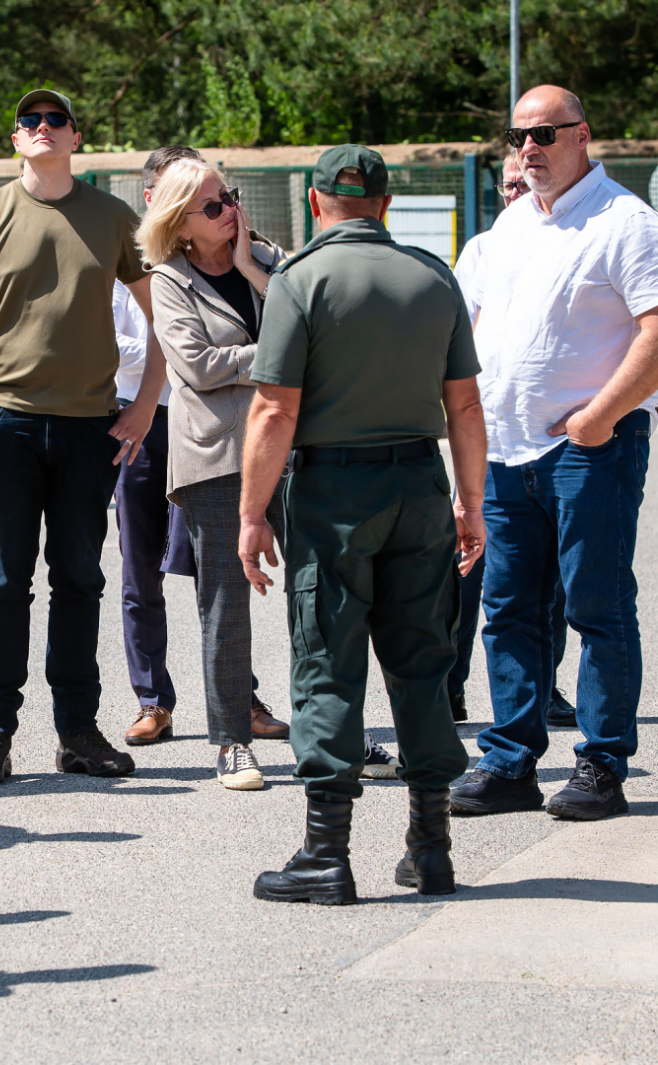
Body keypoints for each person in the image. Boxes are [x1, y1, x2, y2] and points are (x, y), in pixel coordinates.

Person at [240, 145, 485, 905]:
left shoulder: (300, 279)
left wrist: (250, 513)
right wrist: (470, 502)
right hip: (419, 485)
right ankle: (431, 847)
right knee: (424, 661)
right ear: (385, 202)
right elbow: (466, 404)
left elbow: (275, 408)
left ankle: (325, 854)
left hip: (335, 495)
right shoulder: (432, 276)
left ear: (316, 203)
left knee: (327, 662)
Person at [449, 85, 658, 821]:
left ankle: (602, 763)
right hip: (505, 452)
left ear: (583, 135)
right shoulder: (509, 228)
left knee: (597, 604)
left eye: (546, 133)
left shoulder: (629, 224)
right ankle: (510, 759)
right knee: (509, 609)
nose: (529, 146)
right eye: (519, 134)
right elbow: (475, 332)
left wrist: (597, 418)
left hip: (592, 450)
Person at [0, 89, 165, 785]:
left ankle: (77, 731)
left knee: (79, 578)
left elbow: (166, 319)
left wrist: (146, 404)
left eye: (56, 120)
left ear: (77, 136)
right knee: (5, 579)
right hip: (6, 422)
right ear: (16, 140)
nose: (43, 129)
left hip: (87, 425)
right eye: (30, 122)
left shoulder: (112, 218)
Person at [114, 145, 291, 749]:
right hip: (200, 448)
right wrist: (285, 357)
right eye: (211, 205)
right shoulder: (165, 278)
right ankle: (191, 719)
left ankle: (310, 721)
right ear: (175, 219)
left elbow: (314, 319)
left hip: (289, 446)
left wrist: (249, 269)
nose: (228, 210)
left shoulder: (267, 259)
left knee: (318, 588)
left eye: (230, 198)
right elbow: (198, 364)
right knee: (202, 591)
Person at [448, 156, 576, 728]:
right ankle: (451, 685)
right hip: (489, 439)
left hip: (554, 444)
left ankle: (542, 689)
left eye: (526, 182)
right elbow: (457, 343)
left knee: (549, 586)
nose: (518, 190)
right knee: (472, 578)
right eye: (510, 184)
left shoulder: (572, 236)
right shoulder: (483, 248)